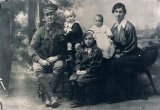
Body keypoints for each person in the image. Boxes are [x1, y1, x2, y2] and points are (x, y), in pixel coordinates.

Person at [28, 3, 67, 108]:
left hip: (55, 59)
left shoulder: (60, 29)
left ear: (55, 15)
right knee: (37, 69)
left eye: (52, 14)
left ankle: (48, 97)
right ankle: (52, 97)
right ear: (44, 17)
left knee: (60, 66)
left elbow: (65, 49)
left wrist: (56, 57)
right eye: (47, 15)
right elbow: (31, 48)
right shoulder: (40, 31)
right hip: (41, 59)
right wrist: (40, 60)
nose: (50, 16)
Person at [104, 3, 142, 103]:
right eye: (116, 11)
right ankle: (109, 94)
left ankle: (114, 96)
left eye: (120, 12)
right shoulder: (114, 27)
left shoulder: (129, 26)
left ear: (124, 13)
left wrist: (121, 54)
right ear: (113, 13)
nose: (118, 14)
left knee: (114, 63)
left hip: (132, 55)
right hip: (121, 55)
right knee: (106, 62)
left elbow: (133, 45)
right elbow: (113, 43)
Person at [69, 30, 103, 108]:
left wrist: (86, 71)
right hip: (81, 71)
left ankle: (80, 100)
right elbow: (77, 62)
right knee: (73, 78)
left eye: (90, 39)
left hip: (92, 72)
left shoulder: (97, 51)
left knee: (80, 79)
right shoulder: (80, 50)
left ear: (93, 40)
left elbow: (96, 65)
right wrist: (78, 70)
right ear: (83, 40)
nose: (88, 41)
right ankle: (79, 98)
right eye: (86, 39)